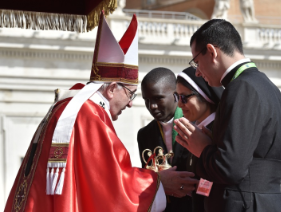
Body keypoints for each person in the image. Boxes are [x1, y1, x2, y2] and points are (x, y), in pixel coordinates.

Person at [4, 12, 167, 212]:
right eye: (130, 95)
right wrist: (158, 182)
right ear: (112, 88)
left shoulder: (71, 106)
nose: (131, 104)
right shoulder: (89, 115)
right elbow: (111, 184)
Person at [174, 19, 281, 211]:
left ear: (212, 52)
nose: (197, 72)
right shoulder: (267, 87)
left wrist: (202, 148)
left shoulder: (240, 88)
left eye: (196, 62)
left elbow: (230, 168)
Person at [138, 67, 198, 212]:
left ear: (176, 96)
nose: (152, 106)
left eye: (158, 98)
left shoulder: (195, 125)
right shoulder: (145, 134)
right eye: (147, 100)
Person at [176, 67, 223, 211]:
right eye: (177, 97)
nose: (179, 104)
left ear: (204, 94)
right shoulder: (194, 129)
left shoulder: (221, 129)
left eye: (184, 97)